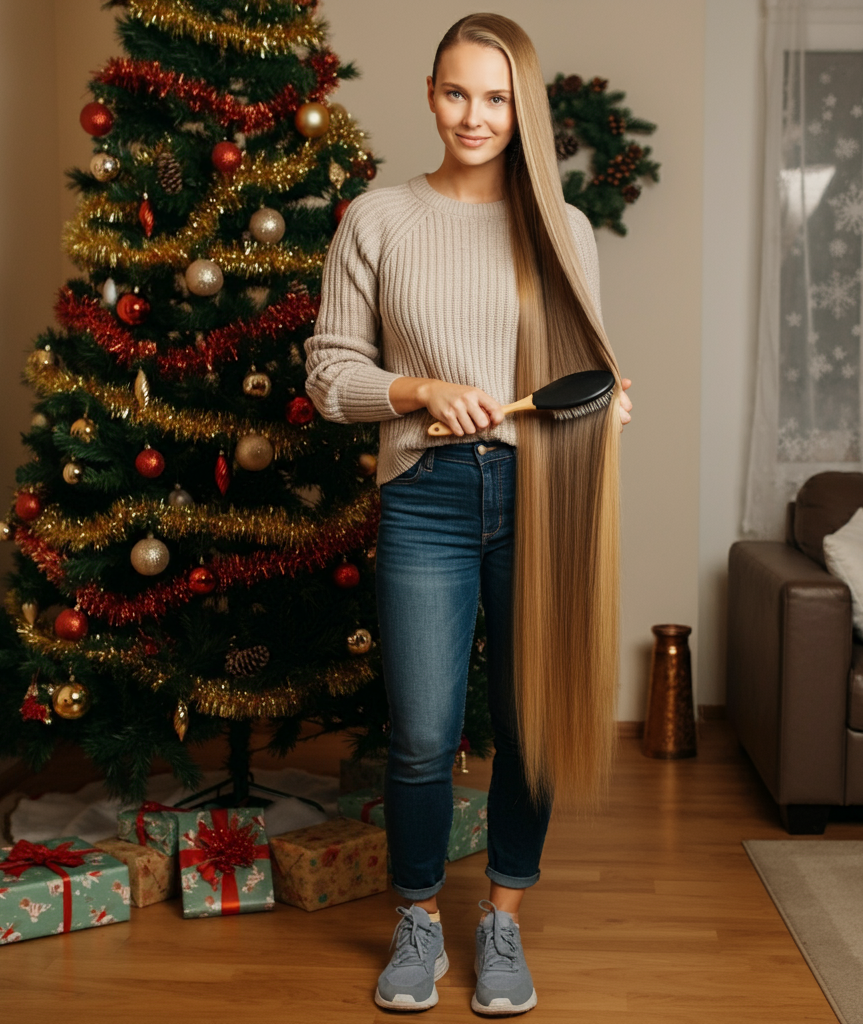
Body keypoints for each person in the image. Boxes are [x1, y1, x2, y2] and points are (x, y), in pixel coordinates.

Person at [305, 12, 632, 1015]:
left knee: (530, 724)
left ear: (521, 106)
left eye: (495, 97)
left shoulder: (562, 228)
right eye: (456, 92)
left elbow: (586, 372)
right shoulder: (377, 219)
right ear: (430, 93)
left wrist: (610, 397)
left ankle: (500, 919)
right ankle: (415, 921)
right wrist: (414, 391)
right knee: (422, 731)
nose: (474, 115)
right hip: (426, 499)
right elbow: (329, 373)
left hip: (542, 493)